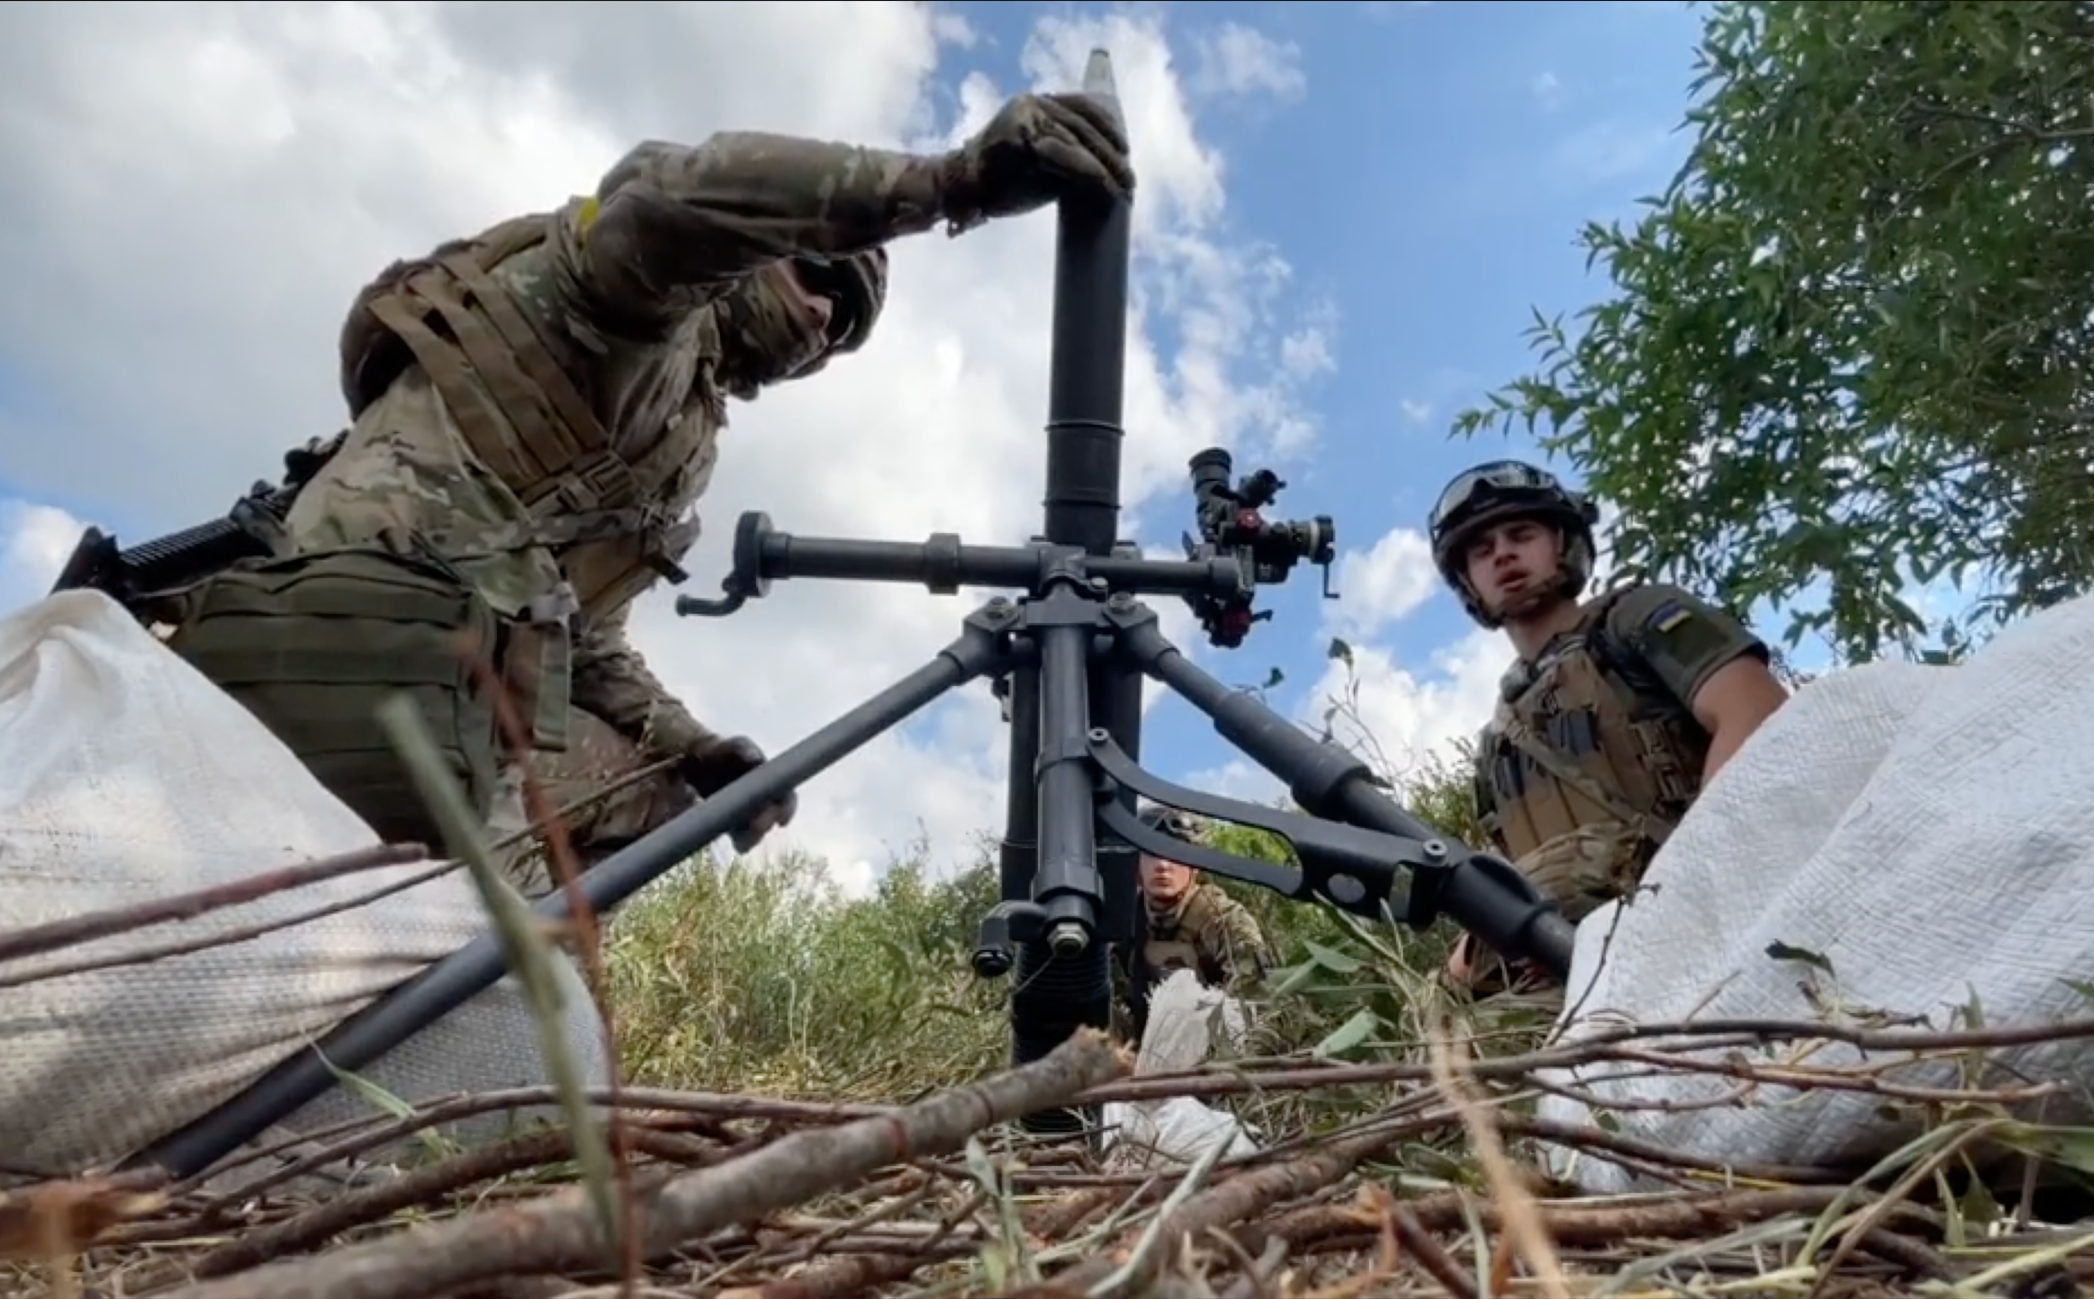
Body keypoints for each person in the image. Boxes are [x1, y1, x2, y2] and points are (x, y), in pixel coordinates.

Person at [161, 95, 1135, 892]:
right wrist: (949, 183)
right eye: (819, 273)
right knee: (496, 953)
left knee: (659, 792)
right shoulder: (631, 307)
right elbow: (687, 198)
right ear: (759, 255)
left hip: (448, 683)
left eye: (845, 326)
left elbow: (589, 640)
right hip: (355, 647)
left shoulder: (681, 444)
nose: (826, 316)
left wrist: (700, 750)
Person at [1426, 459, 1788, 997]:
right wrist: (1445, 989)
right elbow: (1515, 878)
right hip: (1573, 972)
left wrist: (1686, 886)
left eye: (1521, 533)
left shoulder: (1635, 620)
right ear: (1468, 582)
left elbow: (1756, 714)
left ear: (1563, 544)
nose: (1502, 552)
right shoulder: (1495, 745)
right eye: (1481, 550)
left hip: (1709, 923)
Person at [1112, 804, 1275, 1041]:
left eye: (1175, 853)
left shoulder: (1222, 918)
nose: (1163, 865)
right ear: (1136, 862)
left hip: (1213, 1049)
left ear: (1194, 863)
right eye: (1151, 852)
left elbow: (1256, 1002)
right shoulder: (1122, 917)